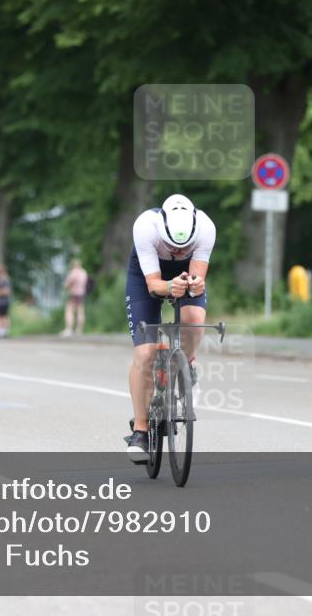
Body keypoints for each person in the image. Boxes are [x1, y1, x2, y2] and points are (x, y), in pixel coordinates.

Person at [124, 194, 215, 463]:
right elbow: (154, 285)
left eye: (183, 248)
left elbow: (198, 278)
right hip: (146, 277)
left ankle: (187, 364)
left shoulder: (206, 228)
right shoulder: (145, 226)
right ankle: (141, 430)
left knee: (194, 320)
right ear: (161, 231)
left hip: (185, 275)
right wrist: (169, 286)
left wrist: (196, 285)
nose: (176, 253)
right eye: (171, 247)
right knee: (145, 354)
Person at [61, 258, 88, 337]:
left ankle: (69, 329)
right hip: (82, 294)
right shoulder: (84, 272)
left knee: (69, 311)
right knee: (80, 311)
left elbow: (68, 284)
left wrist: (66, 286)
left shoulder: (73, 273)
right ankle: (79, 329)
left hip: (74, 294)